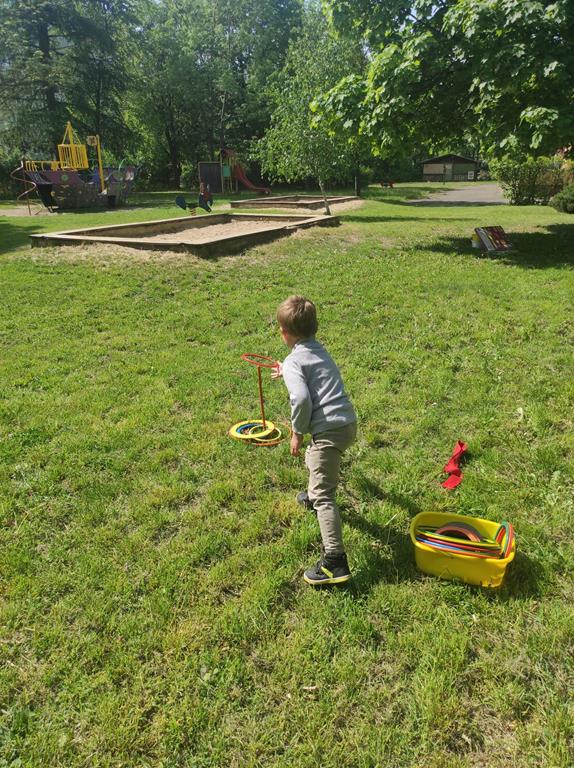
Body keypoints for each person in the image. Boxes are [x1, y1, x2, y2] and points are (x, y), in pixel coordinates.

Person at [273, 296, 357, 585]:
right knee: (316, 458)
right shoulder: (318, 350)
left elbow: (300, 398)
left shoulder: (293, 361)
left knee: (324, 496)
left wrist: (297, 431)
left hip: (329, 430)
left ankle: (335, 562)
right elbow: (312, 374)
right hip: (346, 423)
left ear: (284, 333)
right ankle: (311, 494)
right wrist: (285, 369)